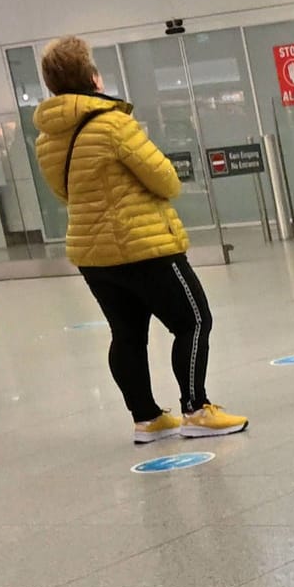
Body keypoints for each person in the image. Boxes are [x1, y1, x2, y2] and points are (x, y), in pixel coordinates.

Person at [33, 37, 248, 444]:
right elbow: (165, 179)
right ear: (92, 77)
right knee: (194, 320)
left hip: (93, 254)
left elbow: (67, 193)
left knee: (127, 334)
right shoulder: (114, 123)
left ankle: (146, 418)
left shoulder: (47, 139)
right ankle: (196, 409)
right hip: (142, 244)